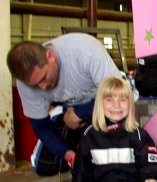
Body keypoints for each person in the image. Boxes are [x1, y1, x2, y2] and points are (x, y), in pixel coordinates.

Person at [6, 33, 124, 167]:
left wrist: (79, 114)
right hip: (67, 108)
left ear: (49, 57)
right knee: (46, 166)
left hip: (104, 100)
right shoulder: (25, 82)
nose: (42, 87)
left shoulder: (85, 50)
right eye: (35, 85)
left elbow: (118, 95)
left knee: (113, 161)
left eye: (43, 78)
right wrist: (70, 156)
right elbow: (41, 127)